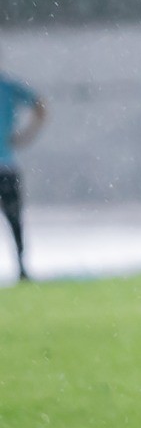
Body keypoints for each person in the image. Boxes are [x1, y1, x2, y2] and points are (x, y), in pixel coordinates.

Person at [0, 68, 47, 283]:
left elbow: (40, 106)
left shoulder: (8, 86)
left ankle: (21, 267)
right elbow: (40, 106)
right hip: (7, 167)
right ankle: (22, 268)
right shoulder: (8, 87)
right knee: (15, 220)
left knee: (15, 219)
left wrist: (26, 136)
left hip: (6, 166)